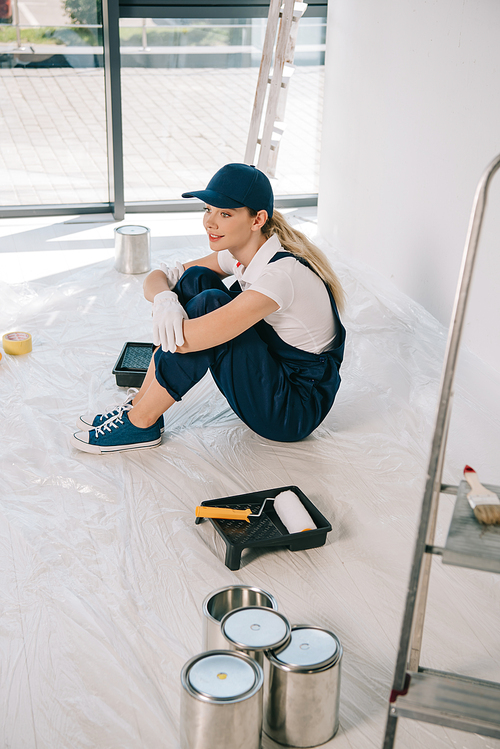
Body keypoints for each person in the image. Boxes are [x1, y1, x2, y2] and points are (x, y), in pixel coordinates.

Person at [71, 163, 346, 454]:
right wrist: (165, 300)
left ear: (258, 219)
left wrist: (170, 314)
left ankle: (142, 421)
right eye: (207, 210)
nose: (210, 223)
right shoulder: (240, 253)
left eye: (225, 214)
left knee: (206, 305)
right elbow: (160, 276)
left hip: (292, 410)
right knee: (196, 279)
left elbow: (191, 339)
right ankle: (140, 406)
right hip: (272, 371)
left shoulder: (281, 275)